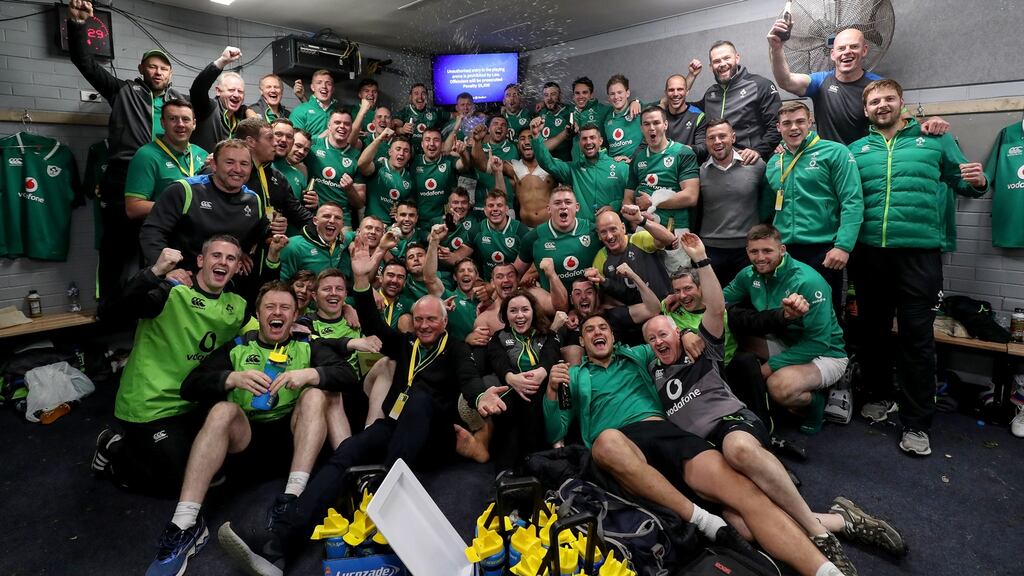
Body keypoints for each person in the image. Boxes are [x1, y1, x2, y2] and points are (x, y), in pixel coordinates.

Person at [217, 236, 510, 576]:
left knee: (420, 399)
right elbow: (372, 323)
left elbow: (470, 379)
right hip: (395, 428)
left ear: (444, 322)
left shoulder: (456, 348)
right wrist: (360, 280)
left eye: (432, 320)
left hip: (434, 437)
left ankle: (377, 494)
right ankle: (278, 546)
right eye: (420, 320)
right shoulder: (406, 344)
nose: (425, 325)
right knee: (347, 452)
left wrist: (480, 397)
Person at [641, 235, 905, 570]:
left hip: (732, 425)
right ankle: (839, 520)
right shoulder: (650, 367)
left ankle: (817, 535)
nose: (658, 341)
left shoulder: (702, 346)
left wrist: (702, 260)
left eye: (664, 334)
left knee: (739, 448)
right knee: (744, 527)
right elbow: (649, 315)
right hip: (704, 450)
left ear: (677, 333)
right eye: (651, 339)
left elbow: (718, 306)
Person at [545, 314, 849, 576]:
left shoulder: (637, 355)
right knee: (607, 441)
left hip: (663, 433)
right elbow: (555, 429)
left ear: (613, 335)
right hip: (621, 448)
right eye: (590, 330)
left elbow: (668, 336)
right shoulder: (574, 375)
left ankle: (828, 566)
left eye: (603, 328)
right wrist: (551, 389)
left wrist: (688, 332)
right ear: (582, 343)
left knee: (746, 502)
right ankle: (703, 520)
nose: (598, 332)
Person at [146, 280, 357, 576]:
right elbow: (189, 386)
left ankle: (291, 499)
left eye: (285, 308)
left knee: (316, 393)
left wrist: (310, 373)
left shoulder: (307, 346)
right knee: (222, 410)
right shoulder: (238, 348)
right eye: (270, 307)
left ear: (295, 316)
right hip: (247, 443)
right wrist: (231, 379)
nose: (277, 312)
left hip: (295, 444)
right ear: (258, 314)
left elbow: (347, 375)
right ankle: (185, 523)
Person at [849, 79, 988, 456]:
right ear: (866, 110)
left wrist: (979, 181)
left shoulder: (935, 139)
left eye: (888, 99)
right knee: (873, 334)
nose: (882, 105)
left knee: (917, 340)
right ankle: (879, 397)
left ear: (902, 103)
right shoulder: (856, 149)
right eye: (874, 101)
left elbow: (966, 183)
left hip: (919, 257)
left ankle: (916, 422)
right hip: (869, 255)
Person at [91, 237, 247, 496]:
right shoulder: (170, 290)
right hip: (151, 406)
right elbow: (110, 312)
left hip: (193, 402)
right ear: (200, 261)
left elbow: (262, 330)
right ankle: (114, 448)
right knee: (176, 483)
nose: (222, 262)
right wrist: (155, 272)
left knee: (215, 475)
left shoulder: (235, 305)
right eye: (216, 255)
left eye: (230, 258)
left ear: (237, 266)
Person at [67, 0, 188, 318]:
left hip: (163, 174)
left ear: (170, 72)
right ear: (141, 70)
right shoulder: (123, 91)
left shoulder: (179, 104)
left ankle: (162, 306)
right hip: (124, 173)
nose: (158, 72)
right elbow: (85, 63)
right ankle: (108, 307)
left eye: (163, 68)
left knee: (160, 245)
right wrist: (78, 25)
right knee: (115, 247)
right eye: (153, 66)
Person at [723, 225, 848, 435]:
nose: (760, 257)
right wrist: (686, 298)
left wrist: (770, 366)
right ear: (747, 252)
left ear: (782, 250)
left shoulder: (808, 281)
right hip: (787, 342)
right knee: (735, 332)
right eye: (754, 251)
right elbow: (721, 299)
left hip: (825, 354)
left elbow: (818, 342)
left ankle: (817, 403)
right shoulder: (748, 274)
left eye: (767, 251)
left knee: (778, 386)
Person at [766, 25, 949, 145]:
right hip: (831, 163)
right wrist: (777, 48)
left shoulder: (878, 87)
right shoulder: (820, 81)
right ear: (833, 54)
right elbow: (785, 80)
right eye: (841, 48)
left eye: (853, 47)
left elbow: (904, 119)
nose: (847, 52)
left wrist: (930, 122)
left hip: (867, 162)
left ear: (864, 50)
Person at [762, 101, 863, 317]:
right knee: (789, 310)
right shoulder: (774, 162)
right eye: (787, 123)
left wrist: (843, 246)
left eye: (800, 121)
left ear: (810, 122)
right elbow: (768, 210)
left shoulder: (835, 152)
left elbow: (852, 201)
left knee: (824, 311)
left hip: (823, 249)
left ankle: (830, 351)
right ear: (779, 128)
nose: (794, 128)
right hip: (785, 251)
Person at [139, 139, 269, 275]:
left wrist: (241, 250)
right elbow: (152, 232)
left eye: (244, 164)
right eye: (229, 162)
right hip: (181, 278)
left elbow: (260, 234)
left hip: (224, 282)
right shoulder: (183, 190)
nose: (237, 169)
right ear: (214, 165)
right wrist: (165, 270)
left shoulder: (254, 200)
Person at [697, 118, 766, 285]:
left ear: (733, 138)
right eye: (711, 138)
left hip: (748, 249)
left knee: (750, 303)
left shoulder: (756, 164)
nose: (717, 141)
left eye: (722, 136)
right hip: (711, 250)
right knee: (716, 304)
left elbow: (768, 201)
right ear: (706, 142)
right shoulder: (700, 172)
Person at [124, 99, 208, 220]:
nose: (180, 124)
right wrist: (181, 206)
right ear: (163, 123)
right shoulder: (146, 155)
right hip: (165, 233)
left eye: (186, 119)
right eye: (173, 119)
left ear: (194, 124)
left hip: (199, 232)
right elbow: (133, 208)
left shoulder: (202, 154)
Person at [531, 119, 630, 220]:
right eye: (584, 139)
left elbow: (632, 197)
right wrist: (536, 136)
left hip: (611, 230)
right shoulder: (573, 170)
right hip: (584, 230)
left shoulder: (621, 167)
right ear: (579, 143)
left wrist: (614, 206)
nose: (588, 142)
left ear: (600, 141)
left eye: (592, 138)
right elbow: (547, 163)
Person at [699, 41, 781, 161]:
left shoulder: (760, 85)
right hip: (717, 163)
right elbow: (684, 107)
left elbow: (777, 125)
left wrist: (759, 150)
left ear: (737, 58)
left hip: (750, 161)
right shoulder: (710, 93)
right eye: (716, 61)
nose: (722, 64)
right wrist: (691, 76)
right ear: (711, 67)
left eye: (727, 58)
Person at [625, 106, 700, 232]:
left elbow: (691, 197)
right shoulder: (638, 157)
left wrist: (652, 202)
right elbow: (628, 197)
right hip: (644, 226)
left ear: (665, 125)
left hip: (675, 228)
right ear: (642, 129)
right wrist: (633, 220)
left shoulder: (683, 153)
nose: (652, 128)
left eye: (656, 123)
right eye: (646, 124)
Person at [514, 186, 601, 292]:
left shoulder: (593, 231)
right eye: (557, 203)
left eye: (568, 202)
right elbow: (515, 274)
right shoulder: (533, 237)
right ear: (549, 208)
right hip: (552, 303)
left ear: (577, 207)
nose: (563, 206)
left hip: (588, 300)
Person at [236, 117, 315, 234]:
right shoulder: (233, 172)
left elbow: (297, 212)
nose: (276, 142)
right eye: (272, 137)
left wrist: (321, 224)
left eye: (289, 137)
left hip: (264, 246)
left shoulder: (278, 177)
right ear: (252, 141)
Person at [589, 207, 673, 304]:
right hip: (639, 314)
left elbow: (669, 239)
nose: (609, 236)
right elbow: (605, 298)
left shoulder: (639, 239)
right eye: (603, 232)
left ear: (623, 228)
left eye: (613, 229)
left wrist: (641, 220)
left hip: (666, 305)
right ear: (598, 235)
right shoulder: (600, 258)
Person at [304, 110, 365, 228]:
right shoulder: (313, 144)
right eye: (337, 122)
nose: (342, 126)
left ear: (351, 128)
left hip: (342, 220)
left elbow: (359, 204)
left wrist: (350, 189)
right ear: (329, 126)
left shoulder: (356, 157)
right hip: (313, 214)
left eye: (346, 124)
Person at [189, 47, 247, 153]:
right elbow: (198, 88)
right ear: (218, 91)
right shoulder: (207, 108)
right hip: (201, 168)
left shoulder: (241, 118)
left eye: (240, 91)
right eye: (231, 90)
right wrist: (222, 61)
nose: (236, 95)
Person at [494, 127, 555, 227]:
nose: (527, 142)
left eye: (531, 138)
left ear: (538, 143)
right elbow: (482, 164)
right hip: (525, 230)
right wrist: (477, 141)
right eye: (522, 138)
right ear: (518, 145)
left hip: (550, 229)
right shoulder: (513, 167)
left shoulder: (553, 165)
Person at [411, 128, 467, 232]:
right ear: (422, 144)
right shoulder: (414, 162)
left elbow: (463, 165)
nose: (431, 143)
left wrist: (462, 153)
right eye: (427, 140)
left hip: (443, 221)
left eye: (436, 140)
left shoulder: (448, 161)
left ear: (442, 145)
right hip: (419, 222)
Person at [357, 128, 414, 226]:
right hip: (372, 224)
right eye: (398, 149)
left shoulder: (409, 178)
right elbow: (362, 164)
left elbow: (408, 205)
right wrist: (379, 139)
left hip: (393, 228)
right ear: (390, 152)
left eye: (406, 151)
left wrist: (400, 209)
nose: (401, 153)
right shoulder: (380, 166)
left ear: (409, 156)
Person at [278, 202, 348, 281]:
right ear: (315, 221)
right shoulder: (293, 246)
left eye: (337, 218)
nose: (332, 220)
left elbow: (358, 233)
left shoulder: (343, 241)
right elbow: (281, 284)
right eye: (326, 216)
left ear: (342, 224)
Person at [662, 69, 708, 159]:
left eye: (680, 89)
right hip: (664, 167)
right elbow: (645, 144)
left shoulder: (699, 116)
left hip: (689, 166)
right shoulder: (660, 116)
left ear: (687, 92)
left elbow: (703, 148)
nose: (675, 94)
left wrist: (683, 149)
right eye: (671, 90)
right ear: (666, 93)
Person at [289, 70, 339, 138]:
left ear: (333, 89)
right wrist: (320, 137)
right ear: (312, 87)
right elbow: (295, 141)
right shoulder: (299, 111)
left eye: (328, 84)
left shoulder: (341, 112)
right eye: (319, 83)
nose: (324, 86)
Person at [394, 83, 444, 147]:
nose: (420, 97)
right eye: (416, 93)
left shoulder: (434, 112)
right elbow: (393, 128)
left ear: (427, 97)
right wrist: (402, 130)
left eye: (423, 93)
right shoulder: (405, 112)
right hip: (410, 153)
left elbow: (453, 115)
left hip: (429, 152)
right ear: (410, 97)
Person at [536, 81, 573, 160]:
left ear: (560, 95)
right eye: (546, 95)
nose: (549, 98)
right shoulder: (542, 112)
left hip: (563, 163)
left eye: (553, 94)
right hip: (543, 164)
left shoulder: (570, 111)